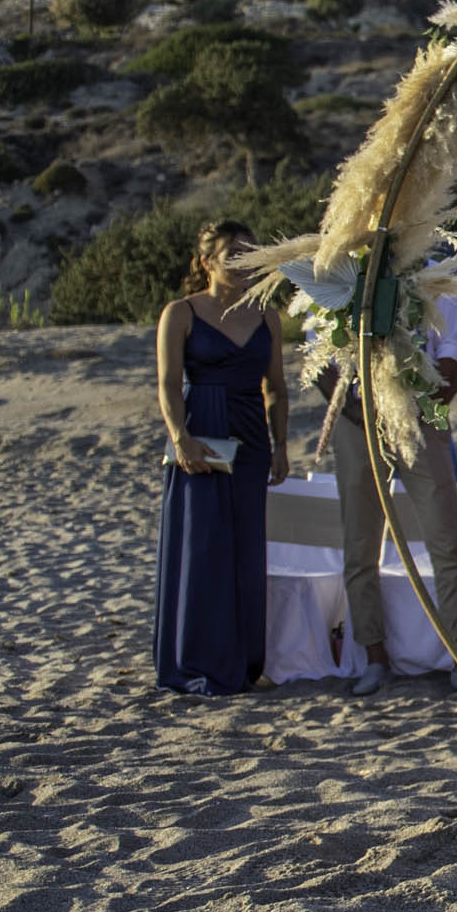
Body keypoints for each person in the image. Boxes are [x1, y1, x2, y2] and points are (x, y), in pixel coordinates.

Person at [154, 219, 290, 695]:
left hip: (251, 439)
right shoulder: (181, 312)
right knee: (203, 548)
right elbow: (169, 385)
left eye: (250, 250)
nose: (244, 258)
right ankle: (196, 662)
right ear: (207, 260)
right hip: (203, 436)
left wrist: (281, 445)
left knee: (246, 551)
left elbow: (275, 387)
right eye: (234, 250)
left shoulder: (267, 316)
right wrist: (180, 438)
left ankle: (246, 663)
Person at [323, 290, 457, 696]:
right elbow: (320, 358)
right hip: (357, 420)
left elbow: (452, 355)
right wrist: (363, 414)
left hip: (427, 412)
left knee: (446, 537)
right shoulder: (343, 279)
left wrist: (423, 406)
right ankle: (374, 657)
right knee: (360, 544)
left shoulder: (436, 284)